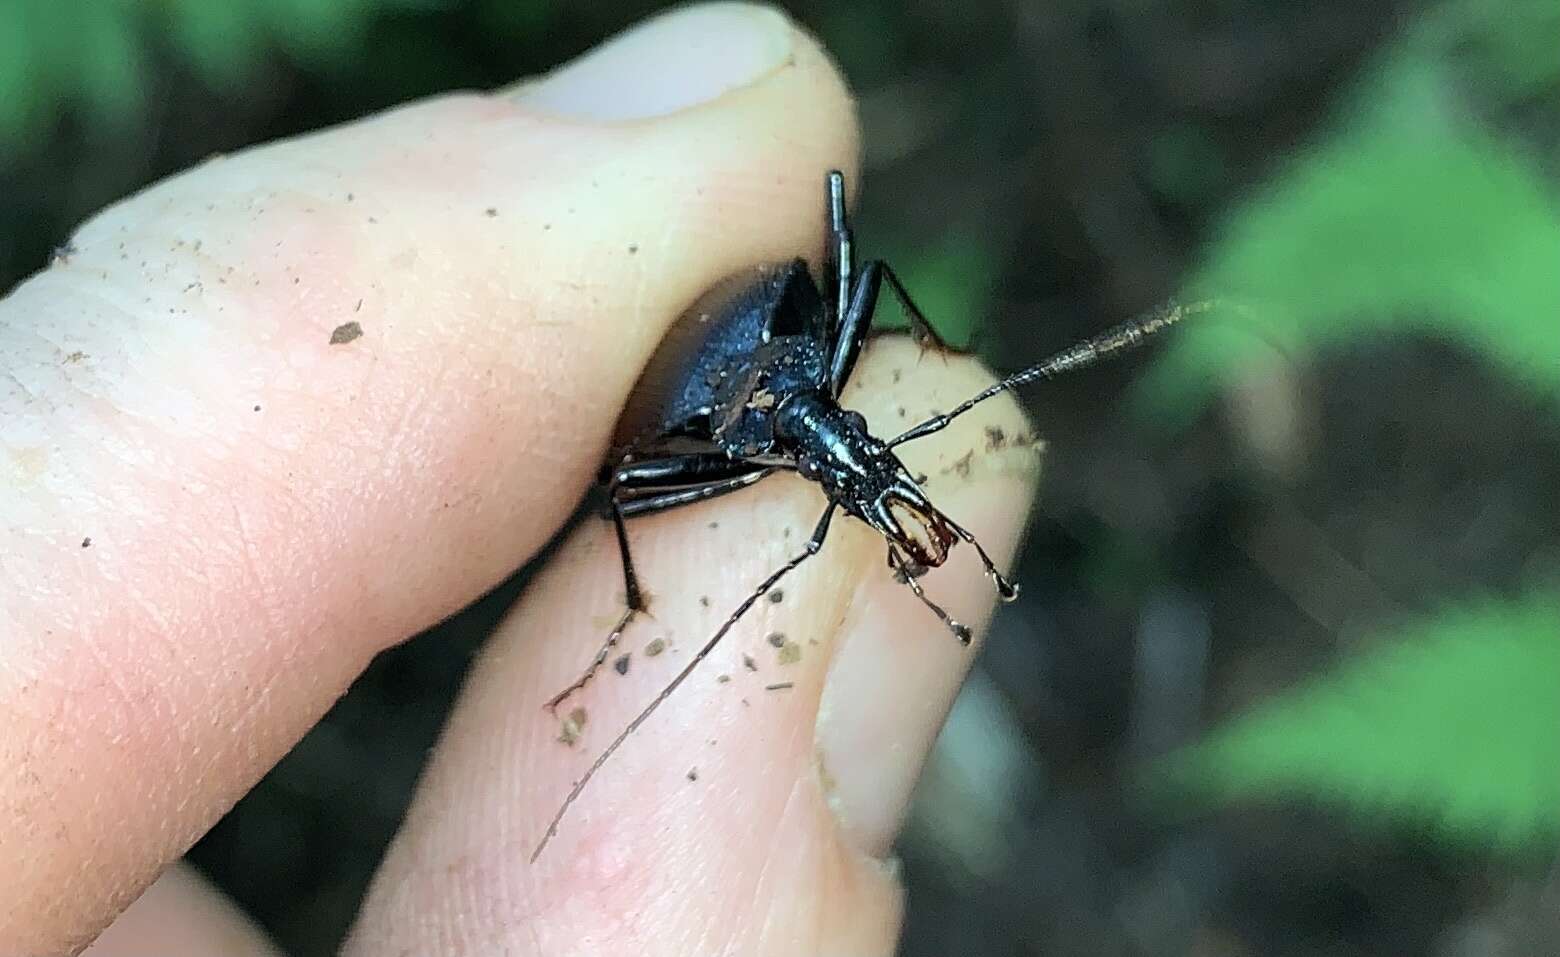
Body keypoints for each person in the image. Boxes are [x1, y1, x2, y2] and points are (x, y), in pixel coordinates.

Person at [3, 5, 1035, 954]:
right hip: (714, 364)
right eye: (849, 466)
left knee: (679, 434)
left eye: (854, 464)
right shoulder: (743, 434)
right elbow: (635, 472)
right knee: (632, 479)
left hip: (757, 336)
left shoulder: (805, 408)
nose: (858, 476)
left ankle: (657, 585)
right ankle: (635, 604)